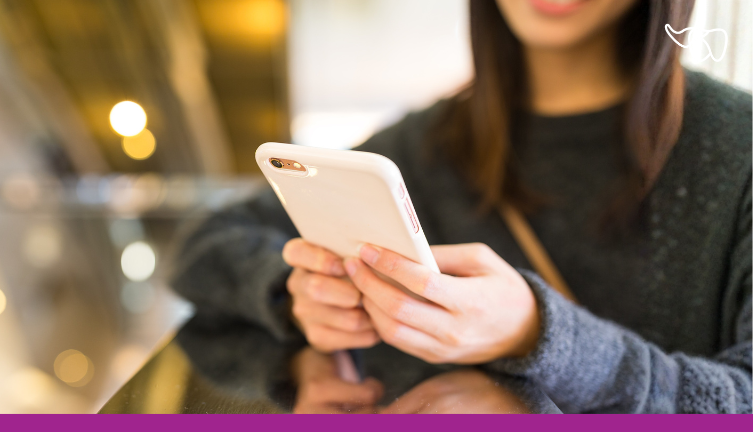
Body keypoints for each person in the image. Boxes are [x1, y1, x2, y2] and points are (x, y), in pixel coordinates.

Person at [171, 0, 752, 413]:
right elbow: (205, 246)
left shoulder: (736, 149)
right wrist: (295, 294)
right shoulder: (426, 144)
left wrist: (536, 332)